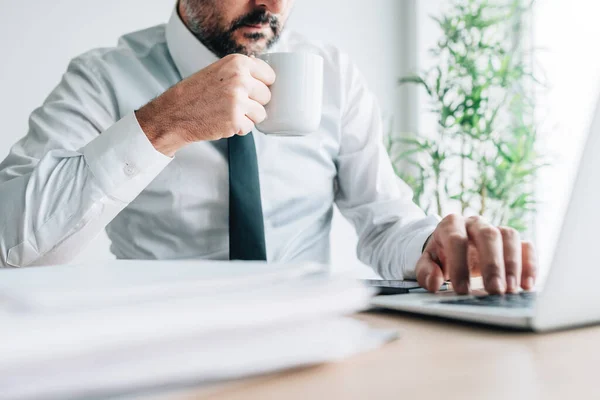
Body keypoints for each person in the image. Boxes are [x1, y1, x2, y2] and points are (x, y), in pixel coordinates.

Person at [0, 0, 536, 295]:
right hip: (164, 344)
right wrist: (163, 124)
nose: (272, 5)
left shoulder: (333, 73)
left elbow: (383, 220)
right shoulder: (103, 78)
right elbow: (13, 240)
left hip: (308, 340)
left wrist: (429, 244)